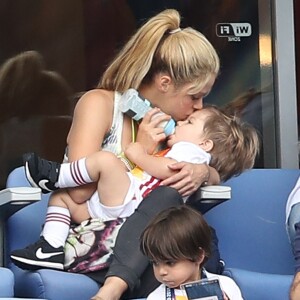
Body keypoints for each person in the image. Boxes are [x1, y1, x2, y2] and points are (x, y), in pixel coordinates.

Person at [10, 9, 221, 300]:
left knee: (192, 246)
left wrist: (202, 172)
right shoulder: (100, 105)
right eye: (194, 96)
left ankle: (117, 287)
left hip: (154, 250)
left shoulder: (177, 131)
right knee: (171, 217)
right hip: (95, 240)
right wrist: (140, 153)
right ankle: (115, 287)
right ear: (164, 83)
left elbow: (212, 168)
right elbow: (80, 193)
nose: (199, 107)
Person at [20, 105, 259, 217]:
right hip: (122, 206)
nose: (182, 121)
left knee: (105, 160)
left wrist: (138, 155)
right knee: (62, 199)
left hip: (132, 204)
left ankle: (56, 176)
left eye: (190, 123)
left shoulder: (191, 152)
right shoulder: (184, 148)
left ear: (205, 144)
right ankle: (50, 245)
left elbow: (169, 169)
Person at [140, 205, 244, 299]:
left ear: (199, 256)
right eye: (155, 263)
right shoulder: (156, 297)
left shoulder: (226, 286)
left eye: (170, 263)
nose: (161, 271)